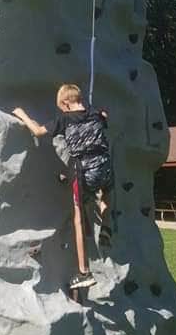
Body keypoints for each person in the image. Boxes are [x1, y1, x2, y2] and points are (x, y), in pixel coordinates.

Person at [13, 84, 113, 290]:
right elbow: (105, 115)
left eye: (61, 106)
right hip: (104, 166)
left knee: (78, 217)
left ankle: (84, 272)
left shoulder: (64, 119)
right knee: (106, 195)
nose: (61, 109)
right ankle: (106, 220)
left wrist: (22, 115)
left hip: (82, 169)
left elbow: (39, 131)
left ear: (65, 102)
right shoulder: (96, 114)